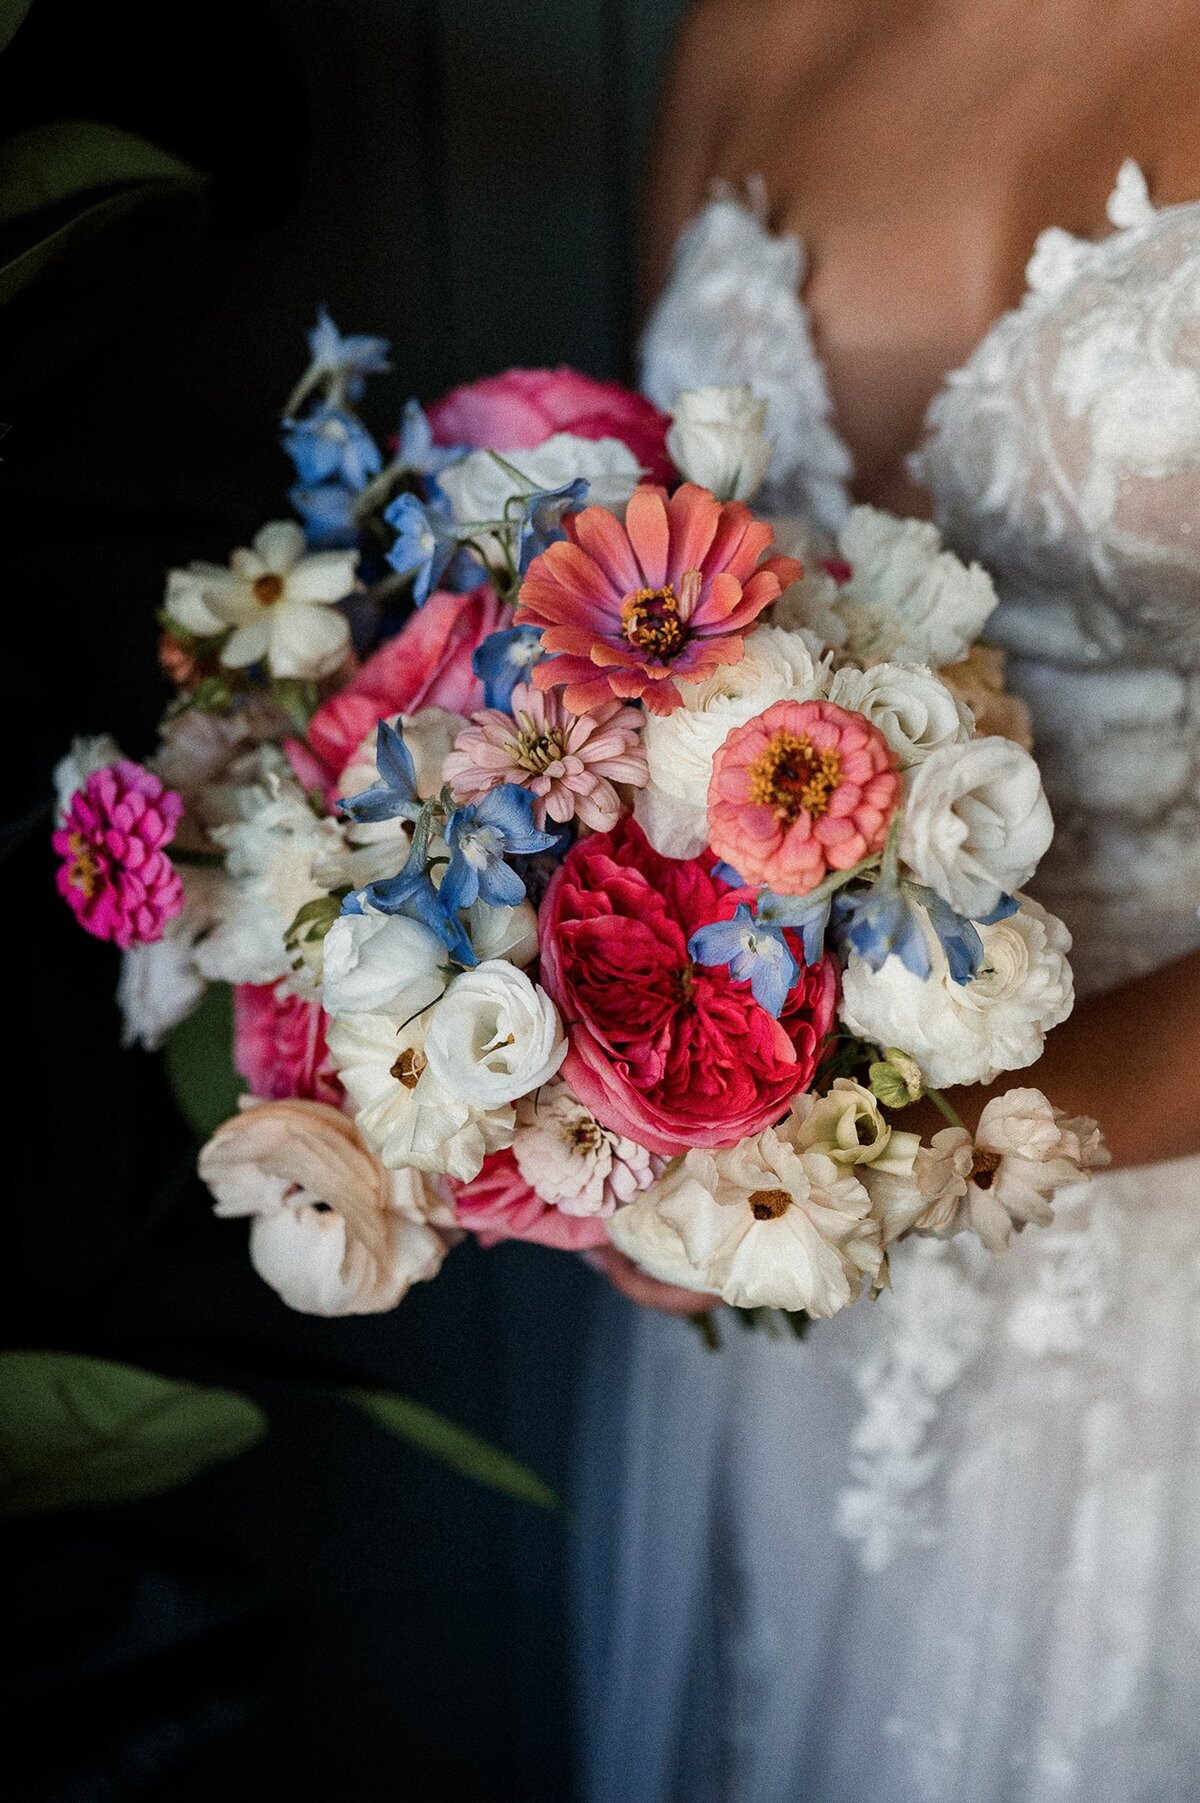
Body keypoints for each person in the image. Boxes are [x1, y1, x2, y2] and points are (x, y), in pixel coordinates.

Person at [574, 3, 1200, 1798]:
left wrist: (900, 1146)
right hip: (784, 1284)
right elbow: (637, 624)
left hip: (1146, 1252)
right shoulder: (746, 33)